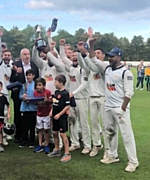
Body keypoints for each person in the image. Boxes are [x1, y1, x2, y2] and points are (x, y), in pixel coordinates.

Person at [89, 38, 139, 172]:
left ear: (119, 57)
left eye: (112, 56)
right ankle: (112, 155)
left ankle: (133, 161)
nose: (110, 58)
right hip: (108, 106)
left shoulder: (126, 72)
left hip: (119, 108)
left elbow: (129, 93)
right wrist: (92, 46)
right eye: (109, 56)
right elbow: (93, 59)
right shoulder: (107, 68)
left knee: (127, 135)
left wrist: (122, 108)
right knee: (110, 132)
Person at [76, 27, 109, 158]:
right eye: (95, 53)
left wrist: (88, 46)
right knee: (94, 123)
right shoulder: (90, 68)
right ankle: (96, 145)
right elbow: (84, 63)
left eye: (99, 53)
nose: (97, 54)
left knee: (106, 125)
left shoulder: (105, 66)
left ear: (103, 56)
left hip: (103, 98)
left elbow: (93, 63)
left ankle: (108, 149)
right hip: (91, 97)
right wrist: (81, 51)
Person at [60, 39, 91, 154]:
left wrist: (74, 92)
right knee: (72, 121)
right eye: (72, 56)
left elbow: (84, 84)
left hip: (81, 99)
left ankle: (87, 145)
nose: (74, 57)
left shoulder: (84, 69)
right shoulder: (71, 67)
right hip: (71, 99)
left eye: (76, 56)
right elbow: (63, 57)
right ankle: (75, 143)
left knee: (83, 123)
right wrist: (61, 45)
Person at [10, 48, 39, 143]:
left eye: (28, 54)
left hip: (32, 94)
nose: (27, 56)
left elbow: (38, 78)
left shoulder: (34, 65)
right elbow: (11, 79)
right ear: (21, 56)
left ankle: (31, 136)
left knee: (31, 115)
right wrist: (17, 73)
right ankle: (19, 135)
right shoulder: (15, 65)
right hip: (19, 94)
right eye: (25, 54)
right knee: (18, 115)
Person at [47, 74, 71, 163]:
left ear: (61, 83)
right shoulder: (56, 93)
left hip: (62, 117)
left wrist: (59, 115)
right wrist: (51, 112)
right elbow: (54, 103)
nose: (54, 83)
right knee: (54, 132)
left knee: (62, 134)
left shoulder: (65, 93)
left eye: (56, 82)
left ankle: (67, 153)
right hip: (55, 116)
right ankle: (56, 150)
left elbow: (67, 106)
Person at [19, 69, 37, 148]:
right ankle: (23, 140)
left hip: (32, 108)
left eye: (30, 75)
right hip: (24, 108)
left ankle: (31, 141)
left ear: (33, 76)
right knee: (24, 126)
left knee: (32, 126)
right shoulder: (23, 85)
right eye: (27, 75)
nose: (28, 77)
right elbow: (20, 95)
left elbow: (37, 95)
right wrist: (23, 97)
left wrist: (31, 98)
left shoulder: (35, 85)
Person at [33, 78, 52, 154]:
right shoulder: (35, 93)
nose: (38, 87)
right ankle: (40, 144)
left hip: (46, 114)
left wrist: (46, 100)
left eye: (39, 85)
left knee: (46, 130)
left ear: (43, 85)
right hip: (39, 114)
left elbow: (51, 101)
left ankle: (47, 144)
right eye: (37, 85)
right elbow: (35, 103)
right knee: (39, 130)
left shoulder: (48, 92)